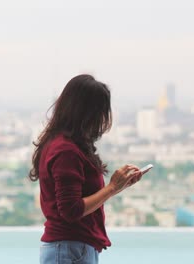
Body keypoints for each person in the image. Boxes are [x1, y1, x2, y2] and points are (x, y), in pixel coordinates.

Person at [29, 74, 144, 264]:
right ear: (86, 112)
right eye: (99, 112)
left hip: (70, 249)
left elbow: (80, 202)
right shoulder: (66, 150)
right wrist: (111, 188)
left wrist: (118, 186)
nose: (102, 119)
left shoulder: (63, 144)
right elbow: (71, 210)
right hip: (69, 249)